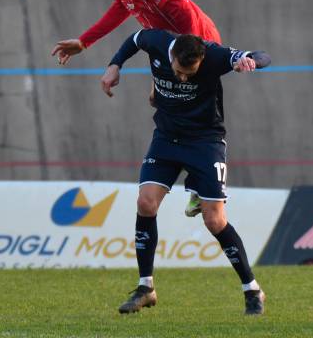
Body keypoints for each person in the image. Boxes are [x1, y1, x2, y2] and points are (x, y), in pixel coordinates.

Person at [52, 0, 222, 217]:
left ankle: (203, 184)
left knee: (186, 117)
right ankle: (200, 183)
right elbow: (123, 6)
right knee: (171, 111)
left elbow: (184, 13)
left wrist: (190, 60)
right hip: (178, 50)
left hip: (195, 46)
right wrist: (85, 40)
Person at [100, 28, 270, 316]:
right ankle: (146, 287)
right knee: (145, 202)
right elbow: (134, 39)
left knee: (214, 220)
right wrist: (115, 64)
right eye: (179, 71)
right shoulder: (157, 41)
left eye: (190, 73)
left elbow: (263, 56)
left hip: (206, 143)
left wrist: (250, 61)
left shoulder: (214, 56)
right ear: (172, 55)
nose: (183, 78)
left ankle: (252, 289)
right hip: (166, 138)